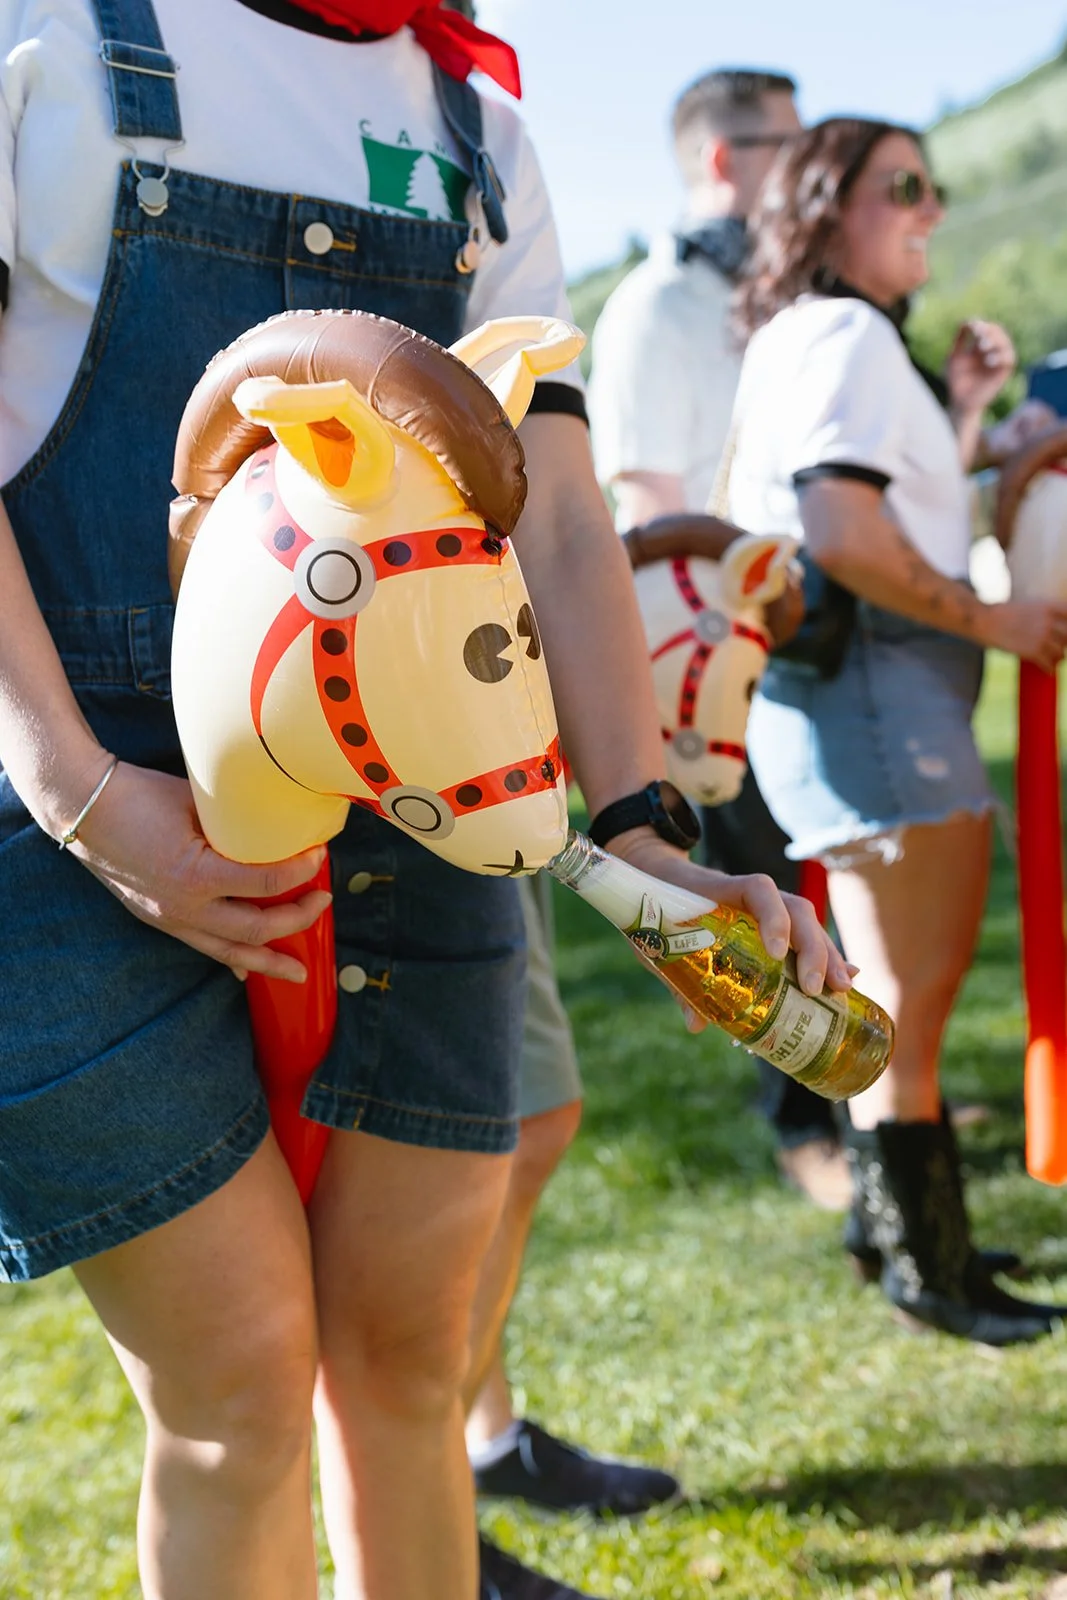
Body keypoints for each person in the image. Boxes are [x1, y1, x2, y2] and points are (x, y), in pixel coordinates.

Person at [0, 6, 852, 1600]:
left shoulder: (476, 126)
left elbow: (565, 524)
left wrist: (648, 831)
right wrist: (83, 796)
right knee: (238, 1382)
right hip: (79, 793)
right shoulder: (52, 32)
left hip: (431, 798)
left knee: (410, 1357)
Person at [727, 114, 1067, 1346]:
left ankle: (904, 1236)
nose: (929, 207)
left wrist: (965, 416)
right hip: (877, 702)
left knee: (895, 1002)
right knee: (902, 1008)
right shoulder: (842, 335)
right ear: (824, 210)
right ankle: (932, 1270)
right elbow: (843, 532)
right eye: (902, 188)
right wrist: (989, 614)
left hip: (862, 705)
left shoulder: (822, 340)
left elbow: (894, 514)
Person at [588, 67, 852, 1211]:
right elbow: (648, 504)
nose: (799, 169)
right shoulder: (654, 304)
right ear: (716, 158)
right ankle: (802, 1119)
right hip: (707, 652)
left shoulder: (772, 292)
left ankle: (856, 1086)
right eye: (777, 145)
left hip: (780, 619)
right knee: (756, 873)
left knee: (817, 872)